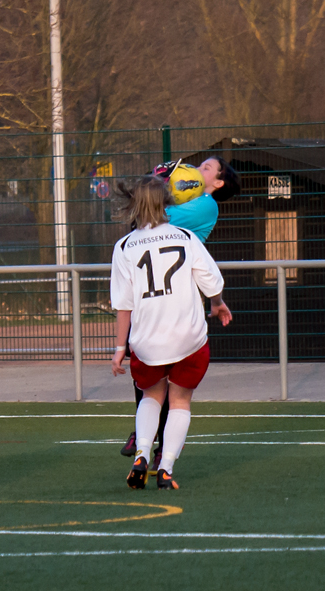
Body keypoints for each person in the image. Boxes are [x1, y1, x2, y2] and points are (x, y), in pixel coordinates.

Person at [110, 175, 232, 489]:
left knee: (151, 396)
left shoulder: (123, 247)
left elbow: (123, 305)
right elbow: (211, 282)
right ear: (167, 202)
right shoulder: (186, 237)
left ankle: (141, 454)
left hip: (147, 341)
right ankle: (165, 469)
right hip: (188, 338)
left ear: (134, 205)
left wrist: (120, 348)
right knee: (180, 401)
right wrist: (217, 304)